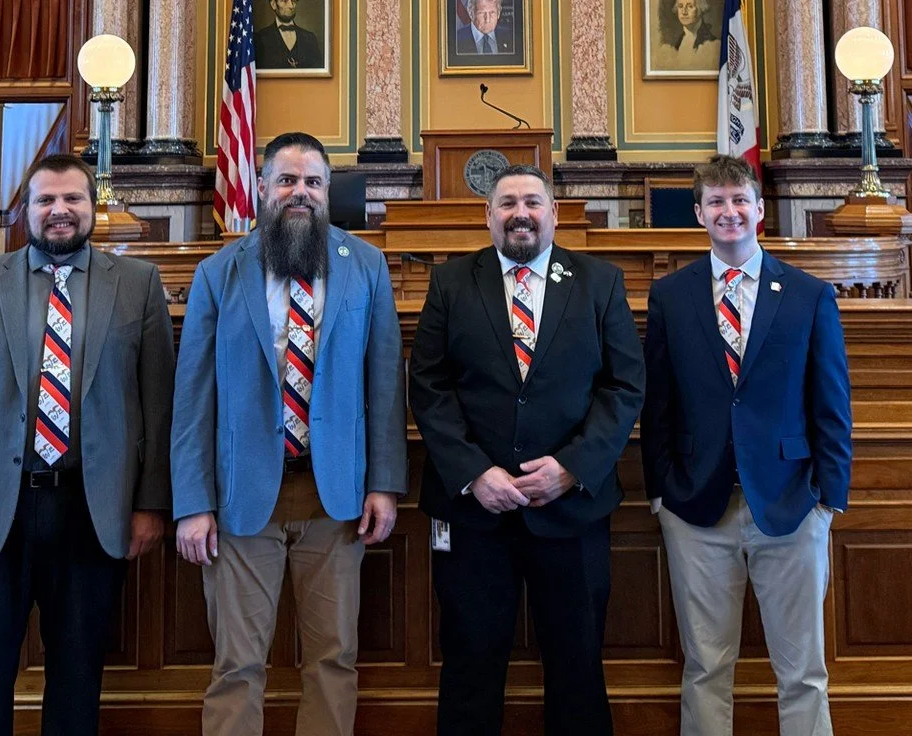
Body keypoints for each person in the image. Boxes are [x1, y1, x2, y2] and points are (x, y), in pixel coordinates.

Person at [0, 154, 175, 735]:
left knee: (78, 675)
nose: (60, 211)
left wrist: (150, 505)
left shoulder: (137, 284)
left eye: (73, 199)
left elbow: (159, 408)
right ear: (26, 211)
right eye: (46, 200)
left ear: (90, 207)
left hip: (92, 508)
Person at [172, 131, 407, 736]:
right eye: (286, 181)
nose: (299, 193)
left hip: (336, 499)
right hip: (241, 500)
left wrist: (384, 483)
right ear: (262, 188)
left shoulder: (367, 266)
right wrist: (192, 503)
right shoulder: (218, 273)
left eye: (312, 183)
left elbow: (384, 386)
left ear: (328, 192)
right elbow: (193, 398)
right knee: (237, 665)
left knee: (333, 661)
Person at [409, 163, 645, 736]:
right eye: (508, 203)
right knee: (470, 665)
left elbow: (624, 385)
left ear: (554, 214)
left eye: (533, 202)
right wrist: (473, 473)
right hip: (474, 515)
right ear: (488, 216)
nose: (521, 213)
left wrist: (572, 467)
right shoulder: (450, 282)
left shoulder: (599, 281)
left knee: (578, 667)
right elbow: (429, 386)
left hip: (570, 511)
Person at [641, 155, 852, 736]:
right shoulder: (671, 296)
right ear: (699, 214)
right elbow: (657, 403)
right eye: (716, 202)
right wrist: (660, 492)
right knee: (706, 667)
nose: (728, 212)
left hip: (790, 504)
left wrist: (829, 499)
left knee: (803, 670)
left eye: (739, 201)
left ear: (760, 209)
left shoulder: (809, 295)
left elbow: (831, 403)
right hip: (696, 508)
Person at [254, 0, 324, 69]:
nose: (291, 6)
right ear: (273, 4)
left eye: (293, 1)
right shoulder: (260, 38)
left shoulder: (310, 38)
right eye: (285, 1)